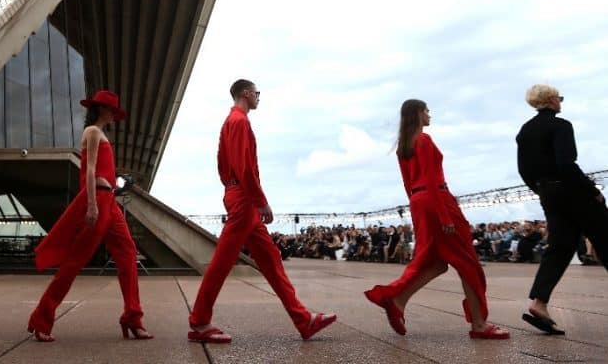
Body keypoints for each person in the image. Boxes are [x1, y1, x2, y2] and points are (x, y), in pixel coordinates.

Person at [187, 79, 336, 344]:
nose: (258, 97)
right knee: (223, 260)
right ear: (246, 93)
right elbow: (245, 167)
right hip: (245, 197)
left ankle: (303, 320)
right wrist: (260, 200)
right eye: (257, 93)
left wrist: (235, 192)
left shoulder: (230, 121)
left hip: (236, 193)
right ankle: (199, 321)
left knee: (270, 259)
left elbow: (224, 165)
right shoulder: (240, 121)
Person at [364, 99, 508, 339]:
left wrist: (419, 210)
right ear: (419, 114)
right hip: (437, 198)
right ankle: (480, 325)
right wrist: (444, 216)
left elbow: (408, 184)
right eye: (427, 111)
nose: (430, 114)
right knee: (467, 262)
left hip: (419, 202)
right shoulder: (425, 140)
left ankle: (398, 301)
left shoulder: (404, 145)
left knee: (435, 262)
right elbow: (431, 179)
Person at [27, 90, 151, 342]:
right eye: (112, 110)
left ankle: (132, 317)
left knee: (127, 254)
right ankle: (41, 318)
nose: (115, 115)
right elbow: (91, 171)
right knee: (75, 260)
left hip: (110, 202)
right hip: (99, 200)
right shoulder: (93, 132)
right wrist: (92, 205)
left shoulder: (100, 134)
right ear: (102, 110)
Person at [516, 85, 608, 335]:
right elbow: (567, 164)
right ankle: (539, 303)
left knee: (560, 247)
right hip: (571, 190)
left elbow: (524, 170)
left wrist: (542, 190)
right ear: (551, 99)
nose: (561, 102)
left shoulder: (525, 131)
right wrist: (592, 191)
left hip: (548, 192)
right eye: (560, 97)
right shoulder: (561, 125)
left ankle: (539, 302)